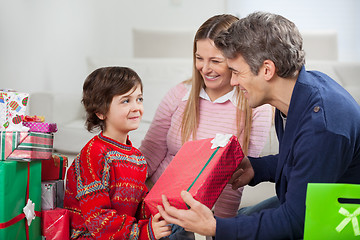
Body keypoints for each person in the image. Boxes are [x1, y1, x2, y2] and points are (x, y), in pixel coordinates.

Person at [157, 11, 360, 239]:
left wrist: (214, 226)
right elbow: (306, 163)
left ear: (266, 70)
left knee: (231, 228)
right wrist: (258, 168)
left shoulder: (321, 124)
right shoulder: (298, 93)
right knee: (243, 218)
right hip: (309, 207)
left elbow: (295, 222)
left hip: (333, 221)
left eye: (236, 72)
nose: (232, 81)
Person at [140, 14, 273, 221]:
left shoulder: (255, 108)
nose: (204, 68)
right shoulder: (179, 94)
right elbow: (151, 151)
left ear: (236, 60)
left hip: (203, 217)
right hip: (157, 208)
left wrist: (220, 228)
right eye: (199, 58)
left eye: (215, 61)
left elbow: (235, 178)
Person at [64, 67, 171, 240]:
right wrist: (145, 232)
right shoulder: (94, 155)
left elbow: (139, 206)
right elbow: (98, 220)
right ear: (100, 111)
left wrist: (163, 210)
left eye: (139, 99)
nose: (136, 107)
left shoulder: (137, 157)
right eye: (125, 101)